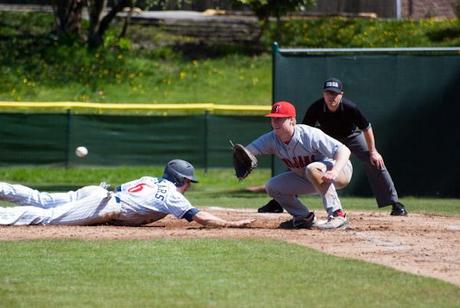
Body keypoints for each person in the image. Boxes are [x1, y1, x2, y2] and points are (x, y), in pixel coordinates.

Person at [259, 78, 407, 216]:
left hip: (351, 136)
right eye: (328, 93)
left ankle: (394, 202)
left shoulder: (350, 107)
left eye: (335, 94)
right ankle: (278, 202)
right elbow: (300, 134)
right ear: (323, 94)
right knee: (297, 160)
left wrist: (373, 151)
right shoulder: (316, 108)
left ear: (341, 95)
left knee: (374, 160)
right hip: (326, 138)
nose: (332, 97)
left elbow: (366, 128)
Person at [0, 159, 253, 228]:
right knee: (47, 217)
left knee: (41, 198)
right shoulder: (173, 195)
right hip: (103, 206)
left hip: (99, 193)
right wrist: (232, 224)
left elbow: (123, 191)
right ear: (181, 180)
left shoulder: (149, 179)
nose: (190, 186)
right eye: (189, 181)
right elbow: (200, 217)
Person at [246, 101, 353, 229]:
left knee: (312, 169)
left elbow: (344, 150)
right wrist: (243, 155)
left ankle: (337, 215)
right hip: (310, 177)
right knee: (272, 186)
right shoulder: (271, 139)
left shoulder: (309, 135)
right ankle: (303, 217)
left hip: (340, 170)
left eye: (280, 119)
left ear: (292, 120)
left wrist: (334, 171)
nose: (275, 122)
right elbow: (247, 151)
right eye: (273, 119)